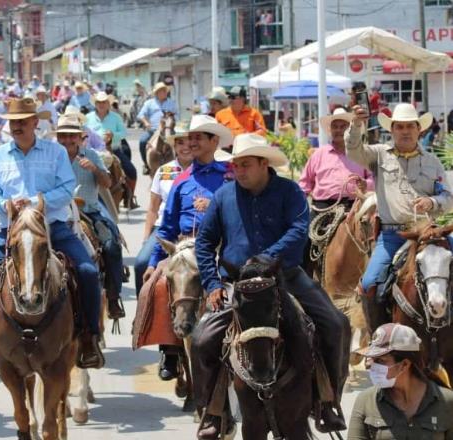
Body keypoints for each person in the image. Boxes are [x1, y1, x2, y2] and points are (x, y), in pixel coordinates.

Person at [192, 133, 350, 438]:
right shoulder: (223, 197)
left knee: (335, 325)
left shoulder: (289, 191)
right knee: (201, 340)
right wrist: (212, 283)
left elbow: (299, 231)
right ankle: (214, 411)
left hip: (286, 277)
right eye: (236, 165)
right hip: (238, 285)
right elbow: (205, 243)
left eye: (246, 165)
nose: (239, 171)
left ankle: (327, 402)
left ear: (264, 163)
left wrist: (265, 260)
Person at [0, 98, 104, 378]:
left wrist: (35, 202)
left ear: (36, 122)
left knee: (88, 272)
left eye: (23, 121)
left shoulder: (55, 153)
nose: (17, 126)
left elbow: (68, 188)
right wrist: (6, 205)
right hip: (11, 230)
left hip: (52, 226)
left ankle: (89, 337)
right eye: (13, 122)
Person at [348, 103, 453, 331]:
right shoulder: (378, 155)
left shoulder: (432, 162)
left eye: (410, 126)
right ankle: (378, 340)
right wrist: (356, 124)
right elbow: (354, 150)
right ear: (392, 130)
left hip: (429, 233)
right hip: (392, 235)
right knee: (369, 284)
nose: (405, 131)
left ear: (419, 130)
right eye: (400, 127)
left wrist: (432, 202)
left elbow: (448, 196)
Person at [143, 115, 232, 380]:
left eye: (197, 137)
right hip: (184, 245)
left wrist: (216, 203)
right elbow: (167, 225)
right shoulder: (180, 180)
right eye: (189, 137)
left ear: (213, 141)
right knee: (158, 286)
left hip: (222, 245)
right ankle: (169, 349)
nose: (191, 142)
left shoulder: (229, 176)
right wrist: (152, 263)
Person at [56, 115, 126, 320]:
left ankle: (113, 297)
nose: (67, 140)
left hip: (89, 211)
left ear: (80, 137)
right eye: (63, 136)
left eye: (72, 136)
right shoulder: (51, 157)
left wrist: (94, 169)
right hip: (59, 213)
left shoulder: (92, 155)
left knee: (112, 245)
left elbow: (107, 183)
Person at [299, 108, 374, 277]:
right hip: (322, 208)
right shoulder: (319, 154)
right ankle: (306, 282)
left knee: (375, 238)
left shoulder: (363, 153)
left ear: (351, 129)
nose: (339, 130)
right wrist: (297, 204)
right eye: (335, 126)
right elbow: (304, 183)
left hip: (354, 206)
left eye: (343, 126)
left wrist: (365, 184)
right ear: (331, 130)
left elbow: (375, 180)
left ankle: (374, 281)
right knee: (305, 239)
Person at [349, 323, 453, 439]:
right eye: (371, 359)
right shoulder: (366, 401)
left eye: (380, 360)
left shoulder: (447, 401)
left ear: (404, 365)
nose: (370, 365)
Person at [134, 127, 194, 295]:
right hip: (164, 227)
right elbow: (153, 208)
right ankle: (142, 314)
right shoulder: (164, 171)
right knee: (141, 263)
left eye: (189, 141)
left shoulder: (202, 171)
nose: (185, 146)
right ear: (174, 147)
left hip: (193, 229)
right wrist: (146, 238)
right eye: (180, 143)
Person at [86, 92, 138, 206]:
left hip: (114, 150)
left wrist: (113, 135)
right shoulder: (88, 118)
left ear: (108, 104)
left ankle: (129, 199)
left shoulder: (116, 117)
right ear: (95, 104)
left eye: (104, 102)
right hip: (93, 152)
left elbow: (124, 133)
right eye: (99, 102)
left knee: (131, 171)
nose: (101, 104)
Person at [138, 82, 178, 174]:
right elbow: (141, 115)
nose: (163, 92)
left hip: (169, 129)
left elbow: (177, 116)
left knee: (179, 143)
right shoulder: (149, 103)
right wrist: (146, 123)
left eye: (164, 90)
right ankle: (146, 165)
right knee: (143, 141)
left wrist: (173, 121)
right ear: (156, 93)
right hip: (153, 130)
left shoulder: (171, 103)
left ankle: (179, 165)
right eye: (161, 91)